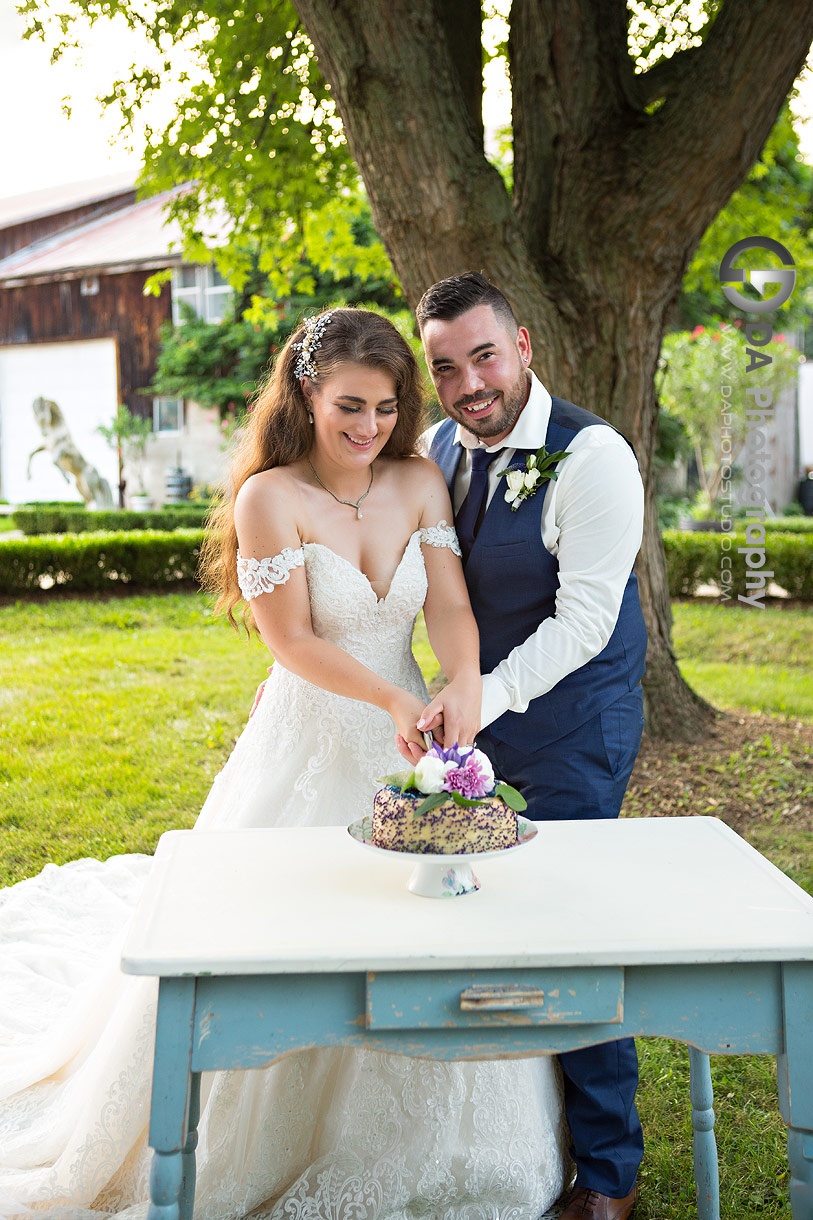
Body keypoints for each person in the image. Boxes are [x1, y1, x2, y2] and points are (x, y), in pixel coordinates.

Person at [0, 306, 568, 1219]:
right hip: (316, 731)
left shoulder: (420, 480)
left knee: (428, 920)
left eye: (386, 407)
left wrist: (459, 683)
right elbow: (293, 641)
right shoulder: (270, 498)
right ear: (305, 393)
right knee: (295, 929)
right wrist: (388, 698)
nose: (369, 427)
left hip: (416, 730)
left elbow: (450, 607)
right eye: (350, 405)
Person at [402, 273, 648, 1220]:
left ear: (525, 346)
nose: (468, 383)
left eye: (484, 355)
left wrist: (484, 696)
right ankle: (507, 1130)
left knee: (567, 926)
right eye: (445, 367)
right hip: (472, 722)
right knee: (468, 914)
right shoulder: (433, 451)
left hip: (573, 722)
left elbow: (586, 618)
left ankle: (607, 1173)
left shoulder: (593, 458)